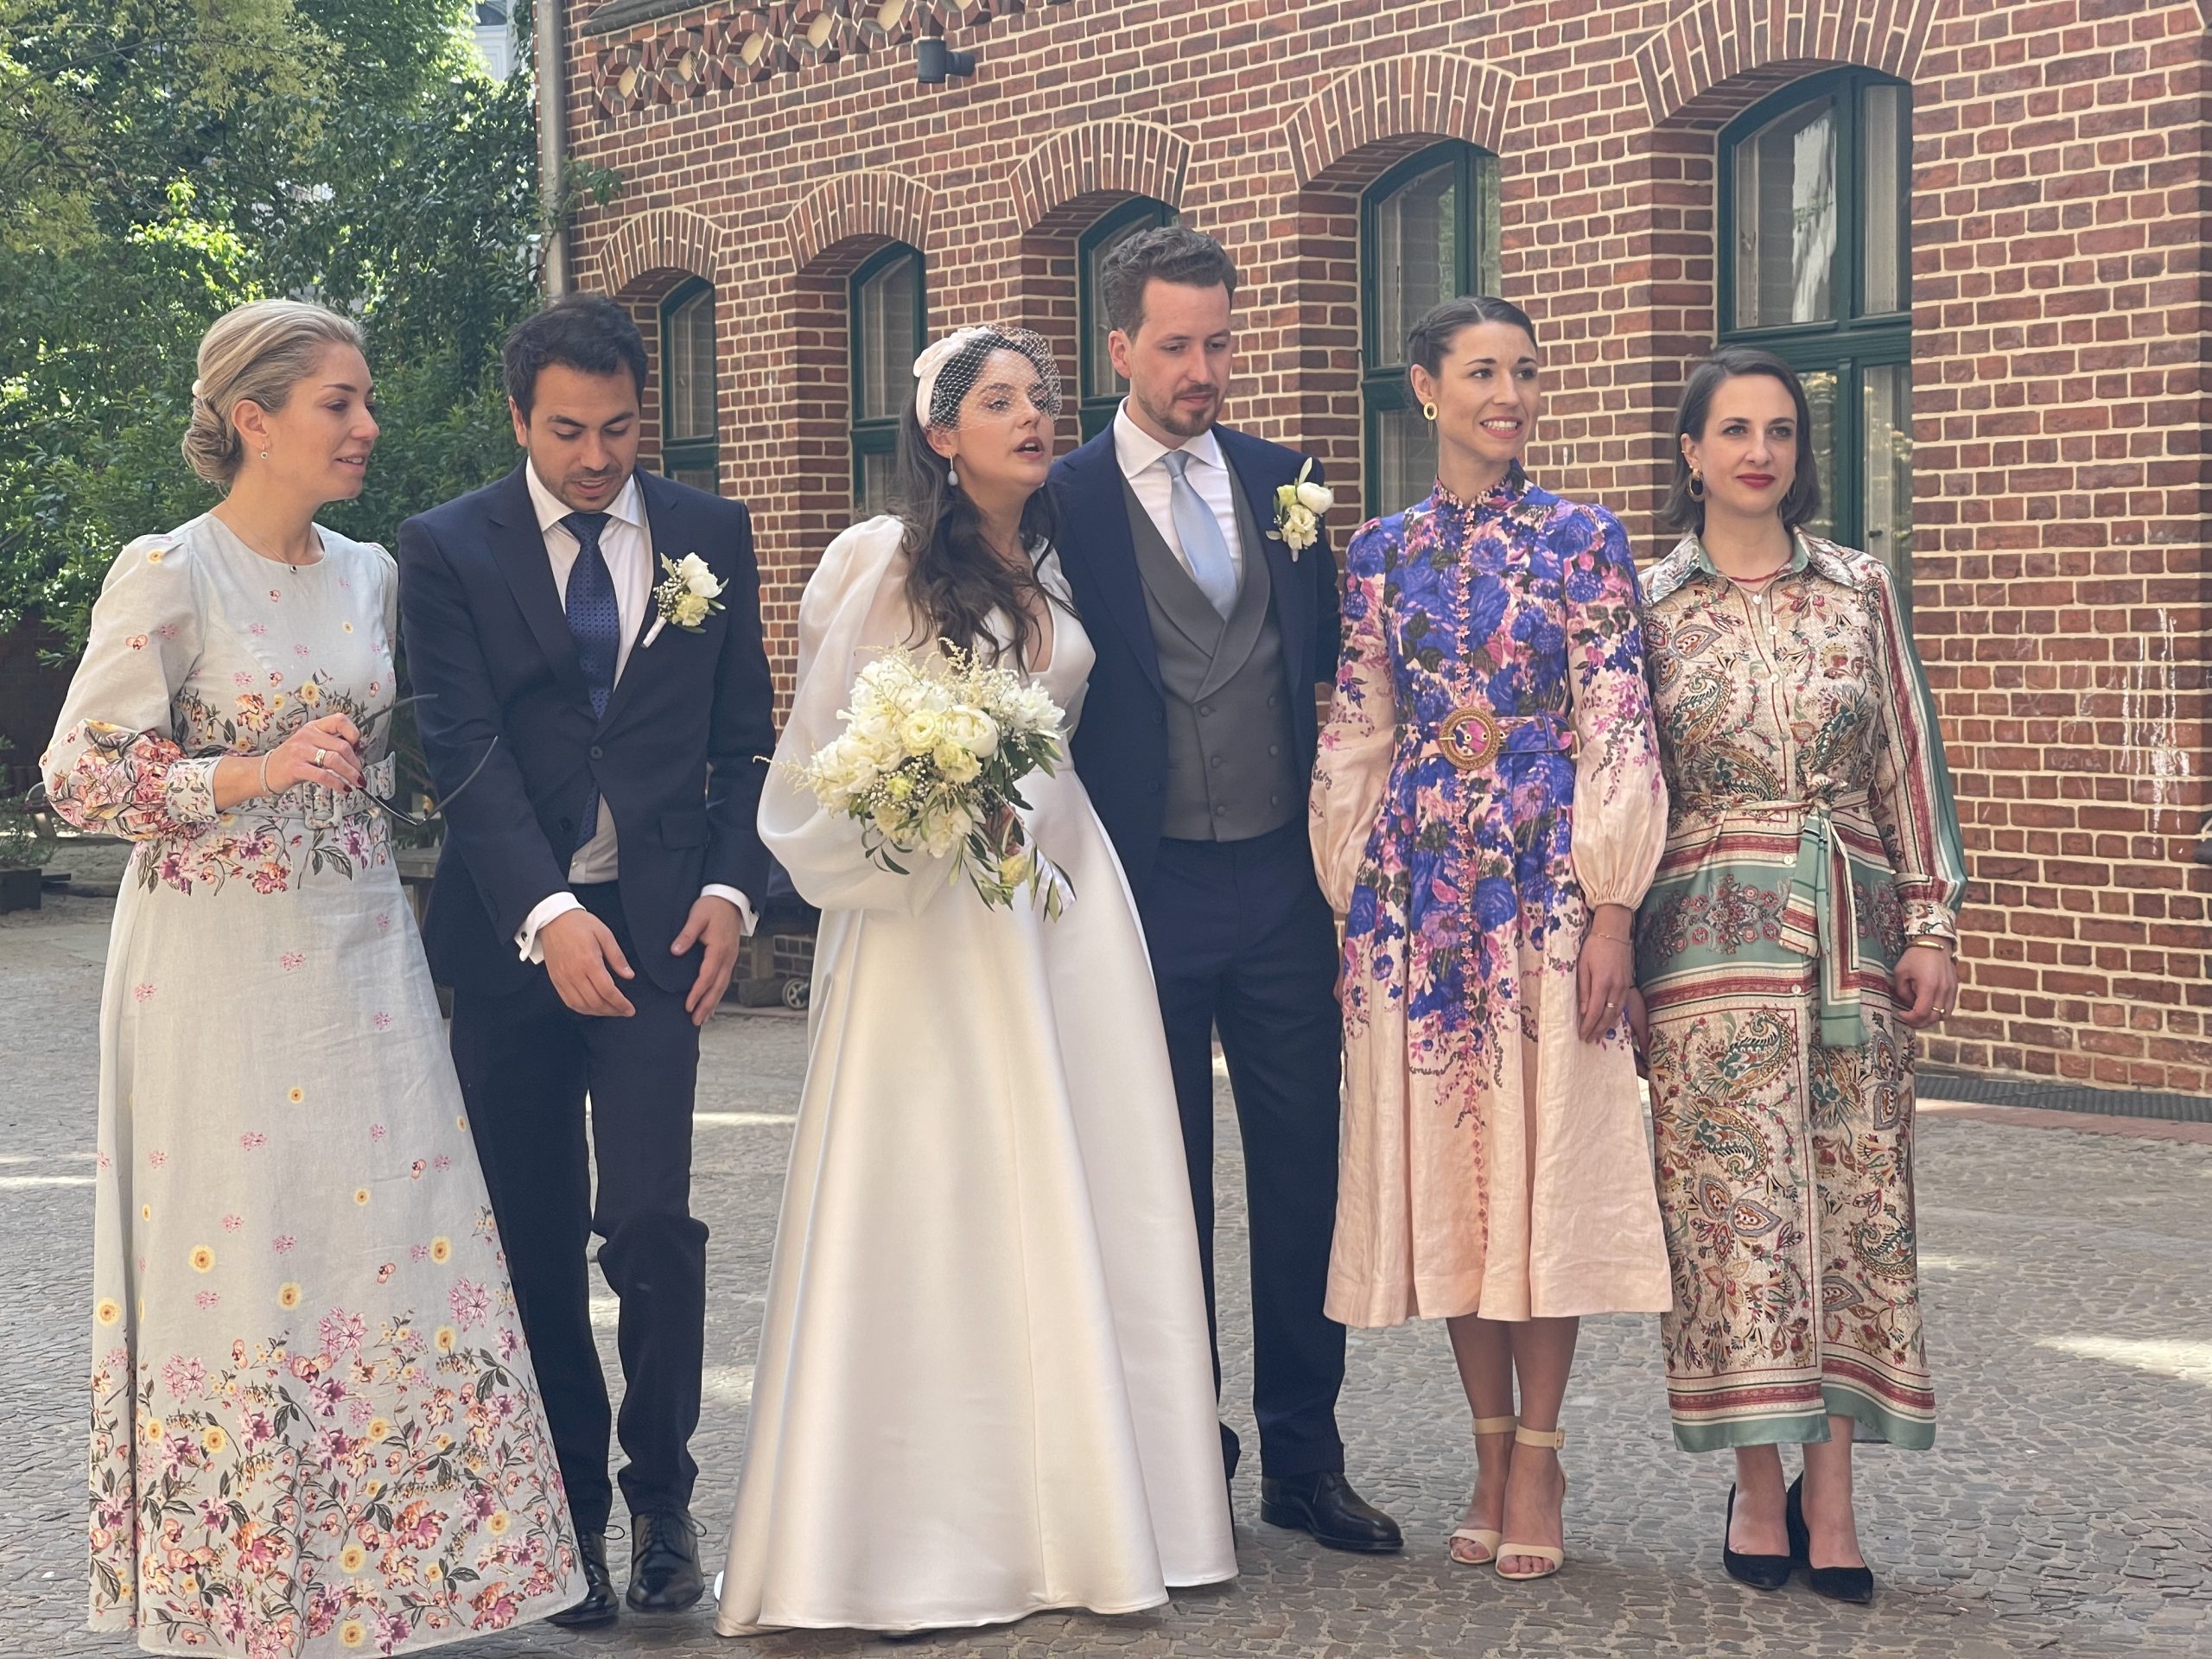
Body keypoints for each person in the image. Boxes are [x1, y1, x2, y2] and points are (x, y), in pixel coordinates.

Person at [44, 299, 580, 1656]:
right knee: (240, 1246)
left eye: (366, 400)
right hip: (213, 972)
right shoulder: (170, 571)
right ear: (254, 419)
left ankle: (399, 1583)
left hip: (360, 954)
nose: (367, 426)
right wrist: (250, 771)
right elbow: (78, 779)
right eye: (339, 402)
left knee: (393, 1232)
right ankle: (243, 1590)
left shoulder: (369, 575)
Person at [714, 325, 1235, 1637]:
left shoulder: (1052, 560)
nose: (1032, 415)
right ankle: (915, 1532)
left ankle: (1100, 1509)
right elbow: (825, 754)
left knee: (1089, 1178)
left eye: (1040, 397)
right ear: (941, 435)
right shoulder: (882, 562)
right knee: (935, 1188)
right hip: (935, 920)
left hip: (1066, 907)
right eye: (999, 400)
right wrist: (928, 804)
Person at [395, 294, 776, 1628]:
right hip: (512, 946)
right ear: (520, 418)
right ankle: (565, 1519)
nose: (597, 456)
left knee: (653, 1222)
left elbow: (748, 742)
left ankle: (663, 1495)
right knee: (534, 1236)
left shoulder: (711, 533)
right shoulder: (446, 548)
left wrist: (732, 886)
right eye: (568, 431)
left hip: (663, 934)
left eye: (618, 428)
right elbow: (460, 748)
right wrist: (548, 912)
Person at [1047, 226, 1401, 1554]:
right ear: (1121, 348)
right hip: (1138, 888)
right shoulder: (1063, 499)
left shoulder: (1283, 481)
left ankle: (1306, 1457)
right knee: (1165, 1177)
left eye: (1219, 343)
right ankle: (1185, 1450)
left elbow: (1331, 671)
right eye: (1176, 345)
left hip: (1282, 884)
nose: (1203, 369)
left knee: (1306, 1174)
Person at [1309, 296, 1671, 1582]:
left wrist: (1614, 902)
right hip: (1418, 897)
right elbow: (1356, 725)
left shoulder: (1585, 538)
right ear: (1426, 388)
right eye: (1480, 372)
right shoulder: (1376, 552)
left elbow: (1619, 717)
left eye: (1523, 371)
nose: (1507, 394)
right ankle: (1486, 1446)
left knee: (1544, 1159)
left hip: (1548, 885)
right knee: (1457, 1170)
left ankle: (1542, 1455)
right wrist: (1353, 899)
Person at [1629, 346, 1967, 1603]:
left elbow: (1908, 763)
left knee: (1857, 1213)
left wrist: (1931, 923)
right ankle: (1756, 1484)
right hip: (1703, 955)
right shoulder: (1645, 607)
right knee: (1732, 1226)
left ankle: (1835, 1498)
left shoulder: (1860, 590)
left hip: (1852, 950)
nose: (1759, 451)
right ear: (1692, 452)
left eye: (1779, 431)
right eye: (1733, 430)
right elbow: (1624, 791)